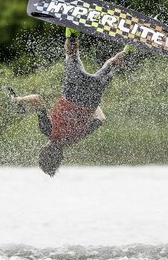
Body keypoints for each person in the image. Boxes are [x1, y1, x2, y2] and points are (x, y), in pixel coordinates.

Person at [8, 28, 133, 176]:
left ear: (62, 157)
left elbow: (101, 119)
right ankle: (72, 32)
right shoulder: (47, 130)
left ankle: (131, 47)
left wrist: (91, 105)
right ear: (42, 150)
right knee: (72, 53)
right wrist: (18, 100)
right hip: (73, 90)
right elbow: (37, 99)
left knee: (112, 65)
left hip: (92, 97)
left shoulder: (75, 139)